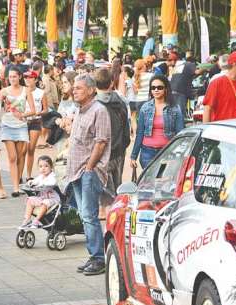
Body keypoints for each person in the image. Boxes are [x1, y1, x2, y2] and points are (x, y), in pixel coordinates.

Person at [67, 74, 111, 276]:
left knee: (89, 215)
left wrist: (90, 167)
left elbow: (101, 142)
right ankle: (94, 255)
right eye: (74, 88)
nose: (74, 91)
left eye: (79, 88)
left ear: (92, 90)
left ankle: (99, 258)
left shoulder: (99, 110)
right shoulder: (79, 110)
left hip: (89, 172)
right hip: (76, 171)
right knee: (84, 216)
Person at [95, 68, 130, 219]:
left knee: (104, 186)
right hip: (119, 149)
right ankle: (117, 214)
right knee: (117, 185)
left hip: (101, 151)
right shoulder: (121, 101)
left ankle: (106, 213)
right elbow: (126, 127)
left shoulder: (93, 104)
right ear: (111, 83)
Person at [130, 75, 183, 169]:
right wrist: (133, 156)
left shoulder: (175, 108)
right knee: (149, 182)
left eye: (160, 87)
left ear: (166, 89)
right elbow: (140, 133)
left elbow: (180, 134)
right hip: (147, 153)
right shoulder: (145, 108)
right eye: (153, 88)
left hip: (168, 152)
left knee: (164, 181)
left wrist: (181, 155)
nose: (156, 90)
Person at [0, 67, 35, 197]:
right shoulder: (4, 91)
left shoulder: (26, 90)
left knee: (20, 156)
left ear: (19, 77)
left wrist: (23, 115)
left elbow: (33, 110)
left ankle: (18, 184)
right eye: (10, 77)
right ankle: (15, 188)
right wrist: (1, 101)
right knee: (12, 157)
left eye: (14, 76)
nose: (12, 79)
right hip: (7, 125)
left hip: (21, 126)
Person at [203, 50, 236, 122]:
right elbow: (207, 109)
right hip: (222, 130)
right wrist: (207, 129)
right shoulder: (216, 83)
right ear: (234, 64)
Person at [20, 156, 60, 229]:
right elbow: (35, 181)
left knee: (45, 203)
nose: (43, 168)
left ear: (51, 167)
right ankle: (27, 219)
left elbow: (53, 182)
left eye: (46, 166)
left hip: (52, 198)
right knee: (30, 200)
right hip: (42, 197)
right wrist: (31, 182)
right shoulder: (41, 176)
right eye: (41, 166)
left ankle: (36, 220)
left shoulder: (52, 176)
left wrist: (42, 185)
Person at [23, 70, 47, 181]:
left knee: (31, 149)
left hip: (35, 121)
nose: (27, 79)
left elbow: (45, 109)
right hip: (22, 122)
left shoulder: (41, 93)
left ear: (36, 80)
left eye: (30, 78)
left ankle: (28, 175)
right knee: (22, 150)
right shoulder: (21, 91)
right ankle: (19, 174)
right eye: (26, 77)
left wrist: (38, 113)